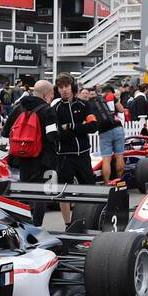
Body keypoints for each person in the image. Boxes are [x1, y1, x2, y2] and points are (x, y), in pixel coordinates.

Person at [2, 80, 58, 224]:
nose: (52, 97)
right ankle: (37, 226)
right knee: (40, 194)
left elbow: (5, 132)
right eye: (51, 94)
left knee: (24, 191)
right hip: (42, 158)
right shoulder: (47, 110)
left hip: (22, 158)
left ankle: (21, 223)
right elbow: (52, 137)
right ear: (45, 94)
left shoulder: (19, 107)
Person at [51, 75, 98, 222]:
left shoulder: (84, 105)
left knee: (89, 189)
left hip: (83, 154)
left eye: (66, 86)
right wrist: (79, 127)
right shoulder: (55, 109)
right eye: (60, 87)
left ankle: (85, 220)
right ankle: (67, 223)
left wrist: (70, 127)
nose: (64, 90)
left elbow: (93, 127)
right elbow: (56, 133)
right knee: (63, 190)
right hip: (64, 155)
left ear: (72, 87)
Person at [96, 84, 127, 184]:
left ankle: (106, 183)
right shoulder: (112, 96)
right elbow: (121, 109)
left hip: (104, 130)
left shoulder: (97, 101)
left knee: (106, 159)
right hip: (117, 128)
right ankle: (119, 180)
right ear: (111, 92)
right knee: (119, 156)